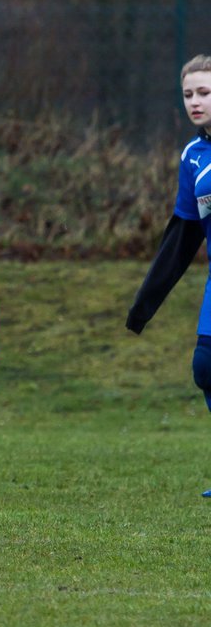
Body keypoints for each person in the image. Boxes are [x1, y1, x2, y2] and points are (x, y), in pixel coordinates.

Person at [127, 54, 211, 497]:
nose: (195, 102)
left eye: (205, 92)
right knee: (207, 365)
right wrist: (145, 304)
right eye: (188, 94)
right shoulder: (194, 157)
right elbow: (182, 237)